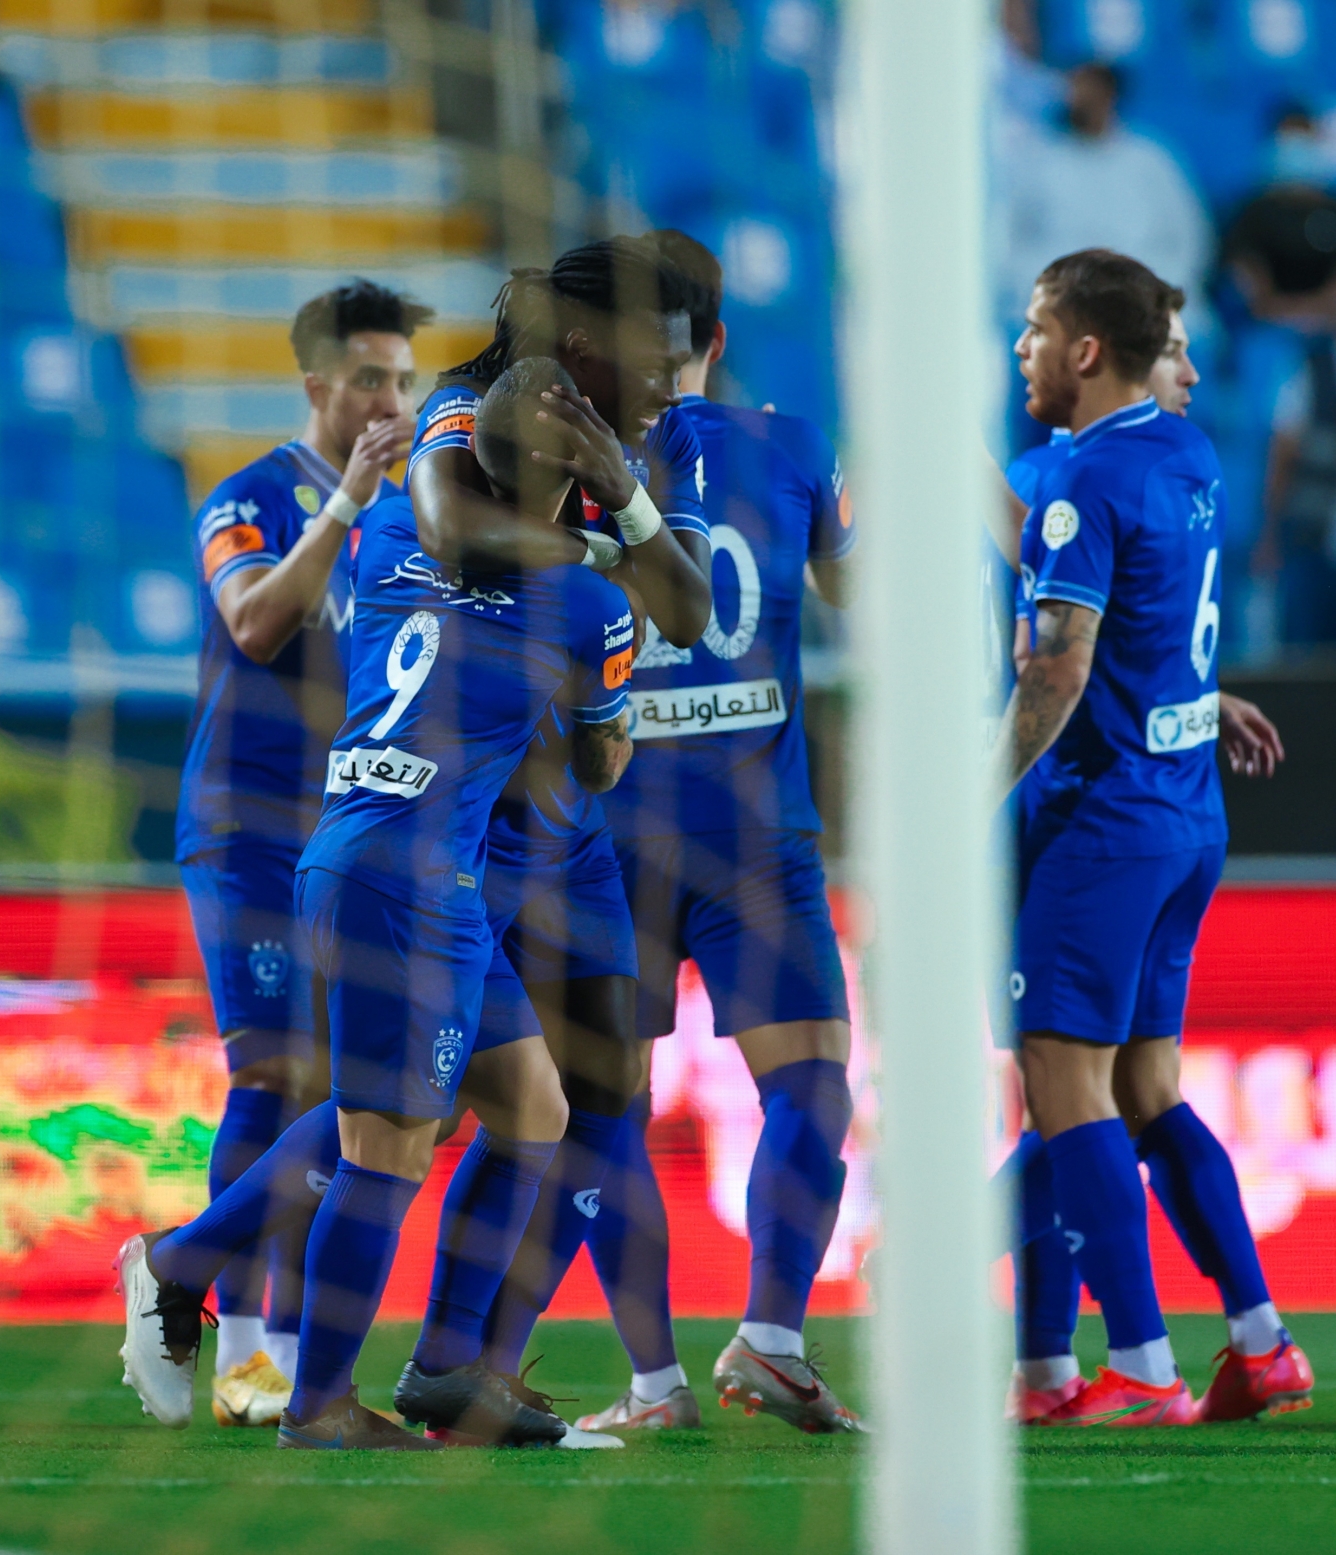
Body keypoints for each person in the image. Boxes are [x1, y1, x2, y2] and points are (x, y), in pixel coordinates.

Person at [120, 359, 637, 1449]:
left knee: (528, 1104)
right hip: (413, 882)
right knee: (385, 1147)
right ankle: (315, 1403)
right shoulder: (588, 603)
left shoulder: (398, 524)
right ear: (570, 481)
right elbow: (597, 764)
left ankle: (443, 1367)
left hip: (359, 848)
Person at [526, 232, 863, 1437]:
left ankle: (655, 1385)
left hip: (602, 835)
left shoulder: (550, 458)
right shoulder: (791, 446)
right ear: (714, 343)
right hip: (758, 832)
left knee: (603, 1110)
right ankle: (770, 1338)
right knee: (812, 1080)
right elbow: (858, 601)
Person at [401, 237, 715, 1434]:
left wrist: (623, 496)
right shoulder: (459, 412)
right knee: (425, 1108)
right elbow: (449, 532)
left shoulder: (618, 451)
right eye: (653, 360)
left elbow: (686, 607)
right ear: (585, 349)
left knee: (600, 1094)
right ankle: (185, 1267)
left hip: (570, 829)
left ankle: (463, 1360)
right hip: (464, 826)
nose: (669, 382)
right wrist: (604, 554)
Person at [996, 248, 1309, 1427]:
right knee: (1144, 1087)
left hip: (1102, 821)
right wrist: (1193, 690)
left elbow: (1059, 665)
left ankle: (1139, 1363)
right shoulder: (1188, 454)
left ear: (1082, 349)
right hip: (1185, 819)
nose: (1019, 348)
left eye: (1034, 330)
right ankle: (1259, 1341)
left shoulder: (1084, 477)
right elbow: (1149, 611)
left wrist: (969, 798)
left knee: (1062, 1090)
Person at [174, 280, 423, 1428]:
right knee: (272, 1076)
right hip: (246, 826)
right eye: (371, 376)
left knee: (338, 1092)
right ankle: (225, 1339)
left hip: (346, 836)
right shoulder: (249, 497)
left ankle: (277, 1339)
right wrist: (346, 508)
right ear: (316, 383)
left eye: (405, 378)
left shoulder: (410, 516)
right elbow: (256, 623)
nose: (391, 398)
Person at [993, 63, 1210, 338]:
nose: (1083, 98)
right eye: (1077, 87)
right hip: (1060, 303)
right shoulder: (1035, 160)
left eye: (1092, 89)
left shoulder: (1152, 160)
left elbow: (1189, 244)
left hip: (1139, 299)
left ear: (1111, 95)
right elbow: (1008, 244)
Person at [1260, 257, 1336, 648]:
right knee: (1308, 660)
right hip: (1319, 538)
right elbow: (1285, 450)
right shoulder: (1314, 365)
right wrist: (1271, 533)